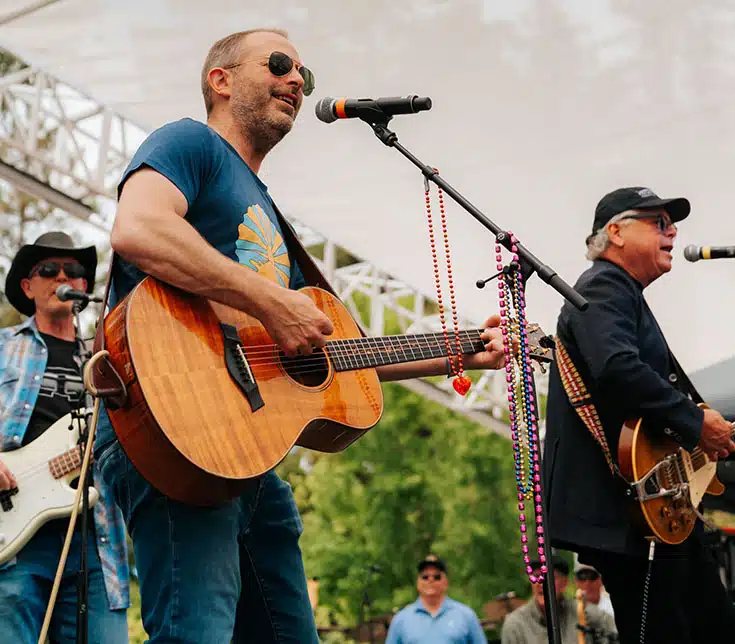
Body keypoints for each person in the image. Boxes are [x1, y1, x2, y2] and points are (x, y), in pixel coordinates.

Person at [93, 28, 508, 644]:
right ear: (221, 80)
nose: (296, 80)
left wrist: (454, 351)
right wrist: (271, 300)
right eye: (281, 64)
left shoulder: (264, 208)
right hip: (176, 424)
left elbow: (332, 357)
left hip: (249, 457)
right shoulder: (189, 143)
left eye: (304, 76)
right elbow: (139, 228)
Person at [543, 186, 735, 644]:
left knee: (717, 631)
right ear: (615, 232)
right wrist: (699, 423)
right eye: (658, 223)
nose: (673, 232)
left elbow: (659, 412)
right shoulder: (603, 284)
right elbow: (618, 369)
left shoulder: (622, 293)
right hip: (632, 510)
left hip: (660, 508)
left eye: (672, 224)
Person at [0, 232, 130, 643]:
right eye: (49, 270)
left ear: (86, 288)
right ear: (28, 285)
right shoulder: (4, 347)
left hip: (96, 538)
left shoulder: (108, 362)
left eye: (74, 271)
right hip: (14, 539)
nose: (63, 277)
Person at [501, 559, 616, 644]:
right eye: (536, 577)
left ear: (564, 583)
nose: (541, 584)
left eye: (549, 577)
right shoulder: (515, 625)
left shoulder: (587, 614)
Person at [385, 555, 487, 644]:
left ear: (445, 582)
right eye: (425, 577)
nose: (431, 580)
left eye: (437, 577)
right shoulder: (401, 620)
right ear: (418, 583)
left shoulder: (466, 615)